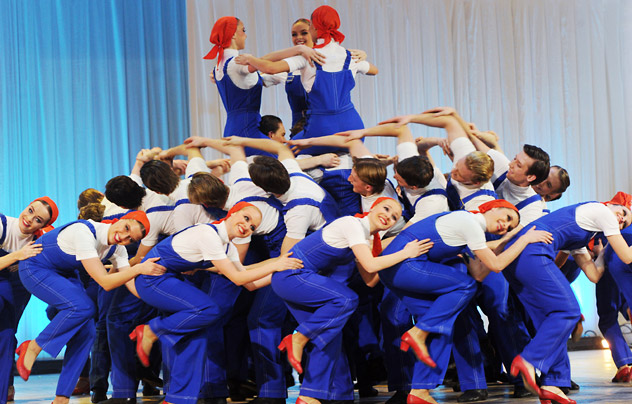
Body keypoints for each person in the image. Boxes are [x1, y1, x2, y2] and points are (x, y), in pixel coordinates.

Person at [363, 199, 553, 404]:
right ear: (493, 207)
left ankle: (419, 391)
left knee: (442, 327)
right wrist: (525, 240)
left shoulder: (470, 230)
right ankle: (418, 332)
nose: (505, 225)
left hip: (399, 272)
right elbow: (495, 265)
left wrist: (514, 235)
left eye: (509, 226)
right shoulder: (468, 221)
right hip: (403, 265)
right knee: (465, 285)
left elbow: (482, 269)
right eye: (507, 218)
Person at [131, 202, 302, 404]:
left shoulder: (227, 247)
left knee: (198, 335)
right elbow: (238, 279)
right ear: (232, 213)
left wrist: (280, 271)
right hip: (152, 280)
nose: (247, 226)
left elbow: (250, 282)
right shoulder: (209, 234)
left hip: (169, 280)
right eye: (246, 218)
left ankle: (178, 399)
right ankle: (151, 330)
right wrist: (277, 263)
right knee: (210, 308)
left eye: (252, 227)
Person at [272, 197, 431, 404]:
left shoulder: (364, 239)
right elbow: (371, 266)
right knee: (347, 299)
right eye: (386, 209)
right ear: (372, 208)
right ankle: (298, 337)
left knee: (329, 338)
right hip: (293, 277)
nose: (389, 216)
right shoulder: (352, 224)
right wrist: (405, 252)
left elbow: (370, 280)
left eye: (394, 217)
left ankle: (310, 396)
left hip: (300, 281)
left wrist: (400, 253)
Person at [15, 212, 165, 404]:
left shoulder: (117, 250)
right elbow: (105, 282)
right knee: (84, 307)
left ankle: (61, 398)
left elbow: (131, 286)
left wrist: (160, 299)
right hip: (34, 267)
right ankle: (33, 346)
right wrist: (139, 268)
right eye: (126, 228)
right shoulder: (84, 231)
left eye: (131, 239)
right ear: (120, 219)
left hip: (65, 274)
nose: (124, 237)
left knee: (87, 333)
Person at [504, 194, 632, 404]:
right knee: (569, 312)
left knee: (553, 322)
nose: (620, 219)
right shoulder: (600, 210)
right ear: (612, 204)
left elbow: (593, 275)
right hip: (531, 252)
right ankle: (529, 360)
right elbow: (627, 256)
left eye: (624, 222)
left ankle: (553, 383)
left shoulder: (582, 231)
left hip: (519, 259)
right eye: (623, 213)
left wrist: (603, 252)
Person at [203, 17, 318, 157]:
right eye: (243, 30)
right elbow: (267, 65)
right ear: (233, 34)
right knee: (285, 157)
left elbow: (262, 64)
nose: (245, 35)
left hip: (232, 128)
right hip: (247, 130)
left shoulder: (219, 66)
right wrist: (299, 49)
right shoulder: (237, 63)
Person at [0, 197, 58, 404]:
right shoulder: (2, 224)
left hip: (17, 287)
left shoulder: (40, 241)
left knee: (7, 335)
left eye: (38, 220)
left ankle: (5, 388)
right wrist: (18, 255)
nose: (30, 219)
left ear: (44, 225)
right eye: (30, 211)